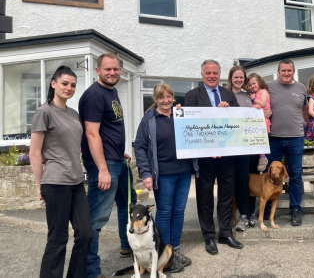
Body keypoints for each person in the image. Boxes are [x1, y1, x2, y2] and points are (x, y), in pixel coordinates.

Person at [29, 66, 93, 278]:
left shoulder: (73, 114)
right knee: (58, 239)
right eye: (64, 83)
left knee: (86, 234)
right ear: (53, 84)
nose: (69, 88)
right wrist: (40, 186)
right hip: (55, 182)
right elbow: (35, 153)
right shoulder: (44, 112)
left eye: (73, 85)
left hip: (75, 180)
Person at [79, 53, 137, 278]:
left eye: (116, 69)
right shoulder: (94, 95)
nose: (113, 73)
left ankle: (127, 246)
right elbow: (92, 134)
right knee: (95, 219)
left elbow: (106, 129)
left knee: (127, 206)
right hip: (104, 165)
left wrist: (117, 151)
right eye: (108, 69)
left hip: (116, 160)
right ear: (97, 71)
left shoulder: (111, 91)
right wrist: (102, 168)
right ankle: (91, 272)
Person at [184, 59, 243, 255]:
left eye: (215, 73)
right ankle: (208, 236)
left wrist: (229, 111)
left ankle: (225, 233)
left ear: (219, 74)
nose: (211, 76)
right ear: (202, 75)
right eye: (208, 73)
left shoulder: (228, 94)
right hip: (205, 157)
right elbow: (191, 125)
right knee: (205, 197)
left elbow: (237, 122)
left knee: (227, 195)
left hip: (227, 154)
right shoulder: (192, 96)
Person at [135, 83, 194, 272]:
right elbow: (140, 147)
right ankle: (163, 254)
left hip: (184, 171)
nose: (166, 100)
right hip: (163, 174)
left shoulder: (181, 115)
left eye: (169, 96)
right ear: (155, 99)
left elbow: (199, 135)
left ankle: (174, 250)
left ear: (173, 98)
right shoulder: (149, 119)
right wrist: (146, 174)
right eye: (161, 97)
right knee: (165, 212)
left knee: (179, 211)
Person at [264, 59, 309, 226]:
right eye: (283, 70)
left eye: (289, 70)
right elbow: (259, 103)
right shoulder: (268, 87)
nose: (286, 73)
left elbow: (305, 110)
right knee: (270, 175)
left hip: (295, 138)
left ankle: (295, 210)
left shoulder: (301, 88)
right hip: (273, 137)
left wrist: (301, 125)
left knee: (295, 176)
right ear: (278, 72)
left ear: (294, 72)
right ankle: (267, 208)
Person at [226, 66, 262, 231]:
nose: (239, 80)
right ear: (231, 78)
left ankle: (252, 214)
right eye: (236, 77)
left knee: (253, 179)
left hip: (252, 143)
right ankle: (243, 215)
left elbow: (263, 111)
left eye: (241, 77)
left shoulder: (250, 95)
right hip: (236, 144)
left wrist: (262, 111)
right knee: (241, 180)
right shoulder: (226, 95)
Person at [248, 73, 271, 171]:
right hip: (256, 120)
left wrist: (253, 99)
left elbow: (262, 103)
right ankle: (261, 157)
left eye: (254, 83)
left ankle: (263, 157)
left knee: (261, 139)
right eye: (250, 85)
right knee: (256, 139)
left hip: (263, 120)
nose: (252, 86)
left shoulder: (264, 92)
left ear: (259, 82)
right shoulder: (254, 94)